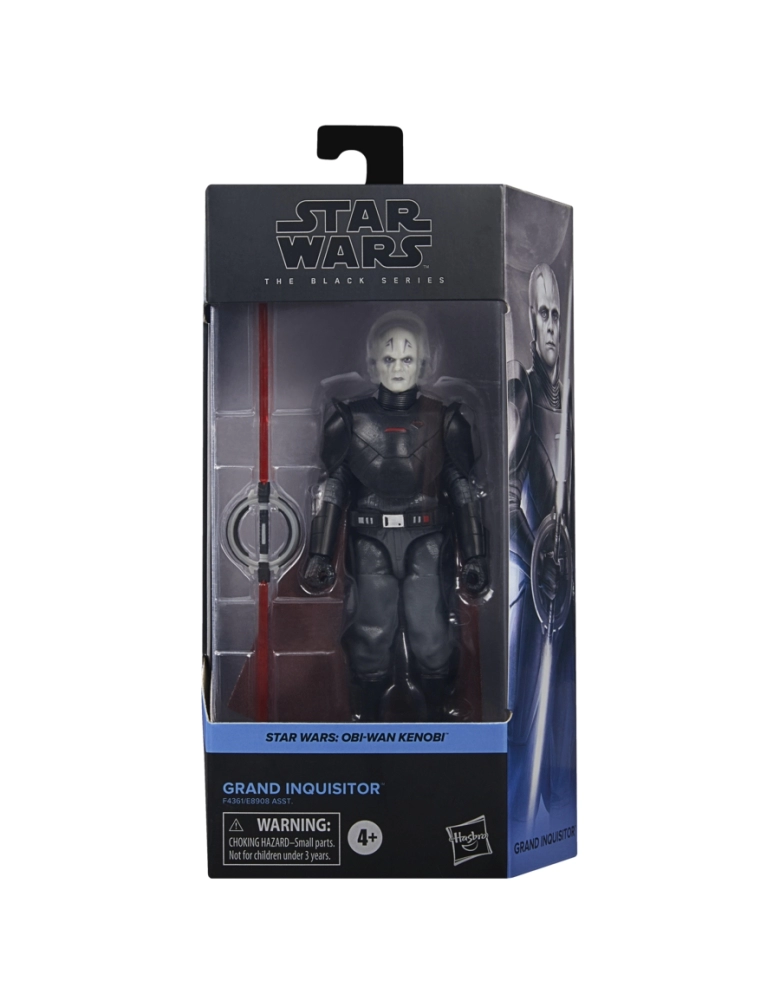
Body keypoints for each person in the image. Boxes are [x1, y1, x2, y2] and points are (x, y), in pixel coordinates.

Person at [303, 310, 489, 722]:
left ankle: (439, 716)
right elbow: (333, 487)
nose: (398, 366)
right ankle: (367, 720)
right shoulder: (350, 419)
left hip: (428, 538)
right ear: (373, 365)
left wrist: (475, 556)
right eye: (389, 359)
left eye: (407, 358)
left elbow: (462, 488)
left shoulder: (445, 418)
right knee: (371, 633)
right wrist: (320, 554)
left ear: (423, 363)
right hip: (370, 539)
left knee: (431, 633)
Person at [508, 263, 576, 819]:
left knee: (566, 717)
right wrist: (539, 559)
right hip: (534, 585)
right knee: (526, 711)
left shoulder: (573, 404)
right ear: (530, 321)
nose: (551, 325)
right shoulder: (523, 395)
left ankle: (559, 811)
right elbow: (508, 501)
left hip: (570, 583)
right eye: (544, 314)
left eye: (557, 315)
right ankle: (514, 815)